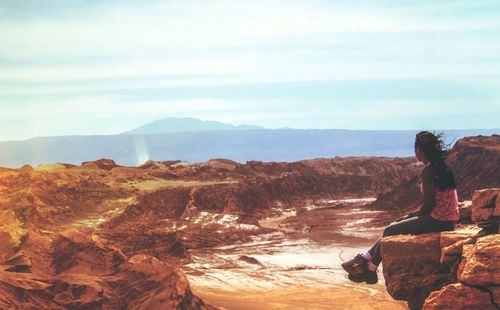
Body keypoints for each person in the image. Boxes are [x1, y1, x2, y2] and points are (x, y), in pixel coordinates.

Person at [341, 131, 459, 284]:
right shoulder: (442, 167)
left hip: (439, 220)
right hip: (448, 219)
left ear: (419, 150)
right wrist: (412, 216)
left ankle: (370, 269)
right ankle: (365, 259)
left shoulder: (429, 171)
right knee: (394, 227)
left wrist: (411, 216)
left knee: (390, 229)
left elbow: (429, 205)